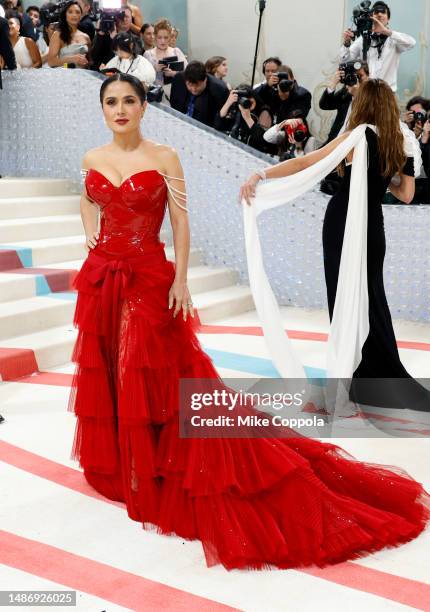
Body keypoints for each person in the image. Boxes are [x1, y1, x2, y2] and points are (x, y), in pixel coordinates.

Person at [69, 73, 430, 572]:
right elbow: (88, 199)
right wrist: (90, 231)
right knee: (110, 365)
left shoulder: (164, 157)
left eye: (129, 99)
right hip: (100, 277)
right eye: (111, 101)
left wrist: (181, 280)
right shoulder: (91, 159)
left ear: (144, 106)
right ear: (102, 109)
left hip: (150, 276)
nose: (121, 108)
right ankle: (129, 461)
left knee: (152, 372)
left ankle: (152, 462)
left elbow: (180, 221)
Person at [240, 79, 430, 411]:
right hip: (373, 226)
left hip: (344, 223)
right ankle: (372, 379)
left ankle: (349, 382)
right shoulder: (400, 139)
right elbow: (406, 194)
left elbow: (305, 162)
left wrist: (261, 175)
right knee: (370, 300)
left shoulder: (356, 136)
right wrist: (386, 173)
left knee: (343, 300)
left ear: (364, 105)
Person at [340, 1, 415, 92]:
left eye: (383, 12)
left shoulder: (394, 39)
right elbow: (345, 60)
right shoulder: (362, 39)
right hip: (365, 92)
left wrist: (386, 32)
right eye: (376, 12)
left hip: (387, 93)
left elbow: (411, 43)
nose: (379, 14)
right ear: (371, 17)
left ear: (388, 19)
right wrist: (347, 43)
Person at [319, 62, 369, 143]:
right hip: (333, 141)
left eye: (360, 76)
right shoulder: (345, 93)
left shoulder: (373, 98)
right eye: (353, 76)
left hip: (353, 146)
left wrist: (357, 95)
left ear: (368, 77)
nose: (356, 80)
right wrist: (333, 83)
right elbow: (324, 105)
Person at [216, 84, 275, 154]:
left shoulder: (263, 112)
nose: (248, 101)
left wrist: (248, 118)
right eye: (244, 99)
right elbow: (217, 127)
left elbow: (264, 141)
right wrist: (228, 103)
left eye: (250, 97)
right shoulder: (237, 111)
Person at [170, 61, 229, 129]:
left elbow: (219, 121)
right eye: (190, 85)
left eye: (198, 85)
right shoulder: (179, 79)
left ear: (205, 80)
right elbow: (174, 104)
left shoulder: (219, 90)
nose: (194, 89)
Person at [143, 18, 187, 88]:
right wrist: (154, 69)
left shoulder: (176, 51)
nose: (163, 41)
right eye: (159, 37)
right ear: (155, 37)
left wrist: (174, 74)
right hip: (156, 94)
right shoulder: (148, 54)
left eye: (166, 37)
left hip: (177, 91)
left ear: (170, 37)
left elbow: (188, 74)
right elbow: (143, 78)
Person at [48, 0, 90, 68]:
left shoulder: (86, 37)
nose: (74, 15)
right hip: (66, 75)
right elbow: (51, 62)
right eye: (70, 12)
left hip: (85, 75)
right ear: (65, 15)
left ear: (81, 15)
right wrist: (72, 59)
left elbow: (90, 60)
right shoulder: (58, 35)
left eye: (77, 12)